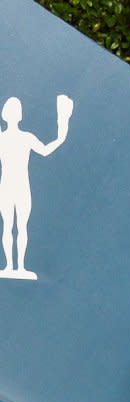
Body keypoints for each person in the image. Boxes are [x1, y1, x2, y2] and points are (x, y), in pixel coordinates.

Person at [0, 95, 73, 280]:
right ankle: (11, 266)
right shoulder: (13, 138)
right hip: (10, 186)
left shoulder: (24, 138)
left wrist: (63, 126)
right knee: (11, 226)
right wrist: (62, 127)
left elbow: (46, 149)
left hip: (18, 186)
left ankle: (18, 267)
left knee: (17, 227)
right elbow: (47, 149)